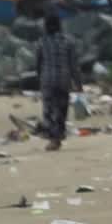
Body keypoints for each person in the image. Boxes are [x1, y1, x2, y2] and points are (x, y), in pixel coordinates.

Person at [35, 12, 81, 151]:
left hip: (48, 80)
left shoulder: (42, 42)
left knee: (49, 111)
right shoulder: (68, 41)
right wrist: (78, 84)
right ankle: (57, 138)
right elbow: (74, 65)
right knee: (61, 110)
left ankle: (53, 139)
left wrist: (40, 78)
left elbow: (38, 63)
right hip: (63, 80)